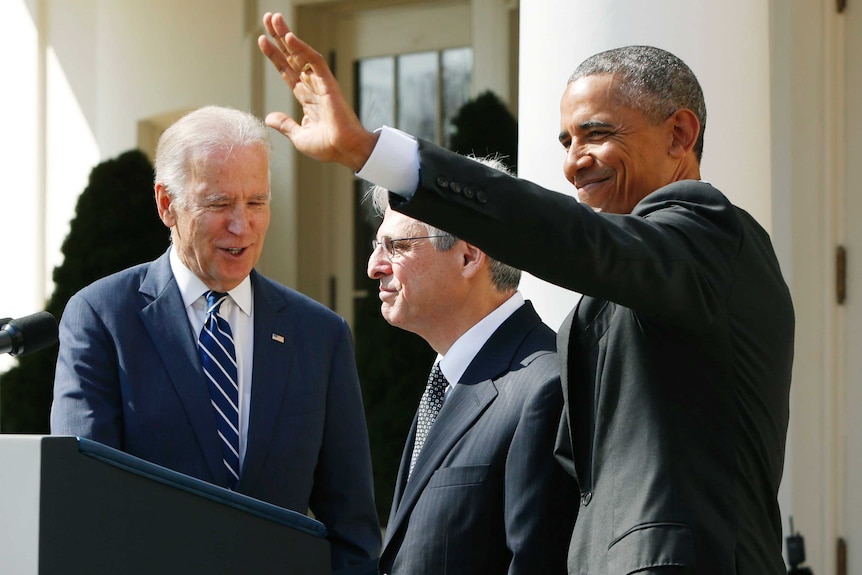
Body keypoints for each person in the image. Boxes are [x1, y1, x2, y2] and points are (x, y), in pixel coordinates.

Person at [258, 12, 795, 575]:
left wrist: (378, 155)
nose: (571, 162)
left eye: (597, 133)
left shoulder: (709, 233)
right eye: (566, 140)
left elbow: (570, 237)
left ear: (680, 134)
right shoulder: (619, 288)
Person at [50, 105, 381, 575]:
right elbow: (84, 504)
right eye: (219, 204)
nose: (241, 225)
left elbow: (353, 529)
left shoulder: (319, 335)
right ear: (167, 204)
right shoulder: (102, 318)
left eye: (257, 202)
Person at [365, 160, 577, 575]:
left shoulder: (543, 388)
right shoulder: (448, 378)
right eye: (377, 245)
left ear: (469, 256)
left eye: (397, 247)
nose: (374, 266)